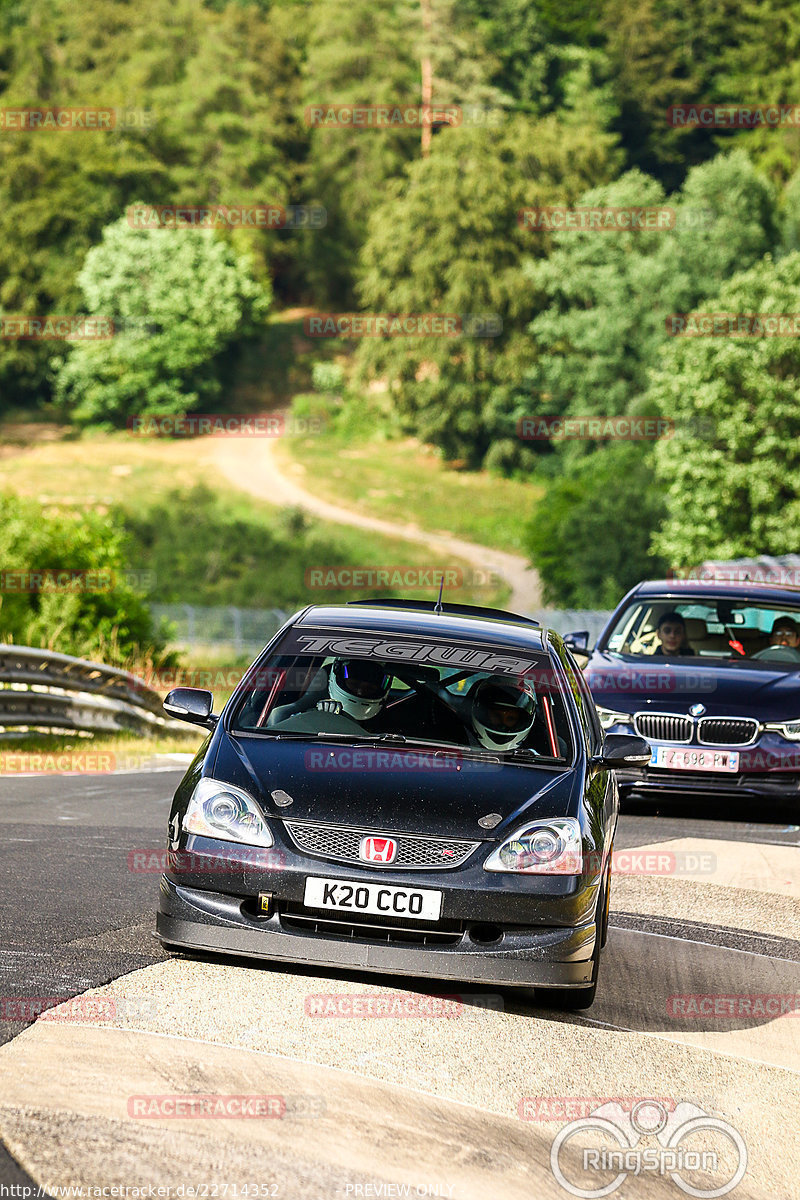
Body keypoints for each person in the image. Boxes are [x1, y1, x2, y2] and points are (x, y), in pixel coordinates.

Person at [468, 677, 537, 751]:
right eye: (497, 715)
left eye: (510, 718)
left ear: (521, 721)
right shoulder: (458, 735)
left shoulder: (540, 755)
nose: (502, 725)